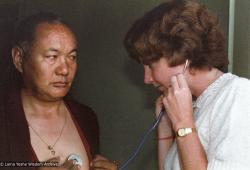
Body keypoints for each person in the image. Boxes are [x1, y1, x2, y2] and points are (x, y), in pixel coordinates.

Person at [124, 0, 250, 170]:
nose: (147, 79)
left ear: (182, 54)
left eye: (151, 66)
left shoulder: (238, 96)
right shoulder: (196, 105)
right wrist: (165, 129)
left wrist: (184, 124)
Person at [0, 12, 117, 170]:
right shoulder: (4, 119)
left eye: (72, 57)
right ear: (19, 58)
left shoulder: (86, 117)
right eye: (52, 56)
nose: (64, 70)